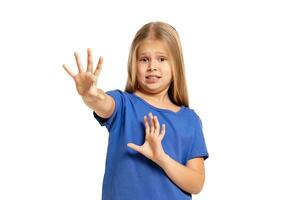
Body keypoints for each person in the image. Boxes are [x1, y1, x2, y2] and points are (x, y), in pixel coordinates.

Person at [62, 21, 209, 200]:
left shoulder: (190, 120)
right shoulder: (123, 104)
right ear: (134, 64)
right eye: (144, 59)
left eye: (161, 59)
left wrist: (162, 158)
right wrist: (89, 93)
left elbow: (196, 183)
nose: (152, 66)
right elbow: (102, 102)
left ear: (175, 65)